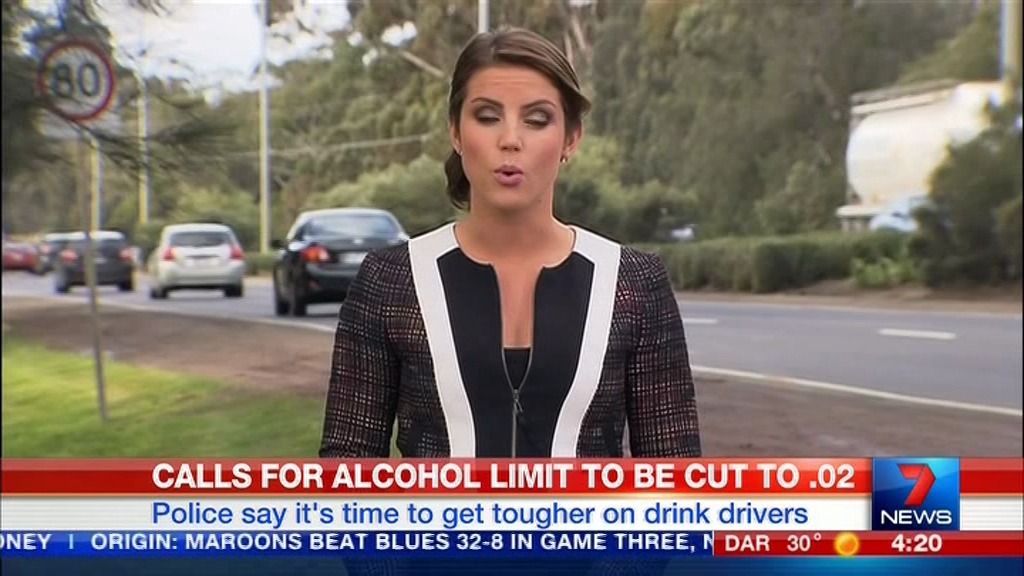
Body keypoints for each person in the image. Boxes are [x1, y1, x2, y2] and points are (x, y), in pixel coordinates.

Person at [319, 27, 701, 460]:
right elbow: (345, 472)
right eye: (487, 117)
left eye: (537, 120)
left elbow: (676, 476)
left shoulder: (633, 283)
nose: (510, 140)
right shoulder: (390, 281)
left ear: (571, 138)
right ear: (456, 132)